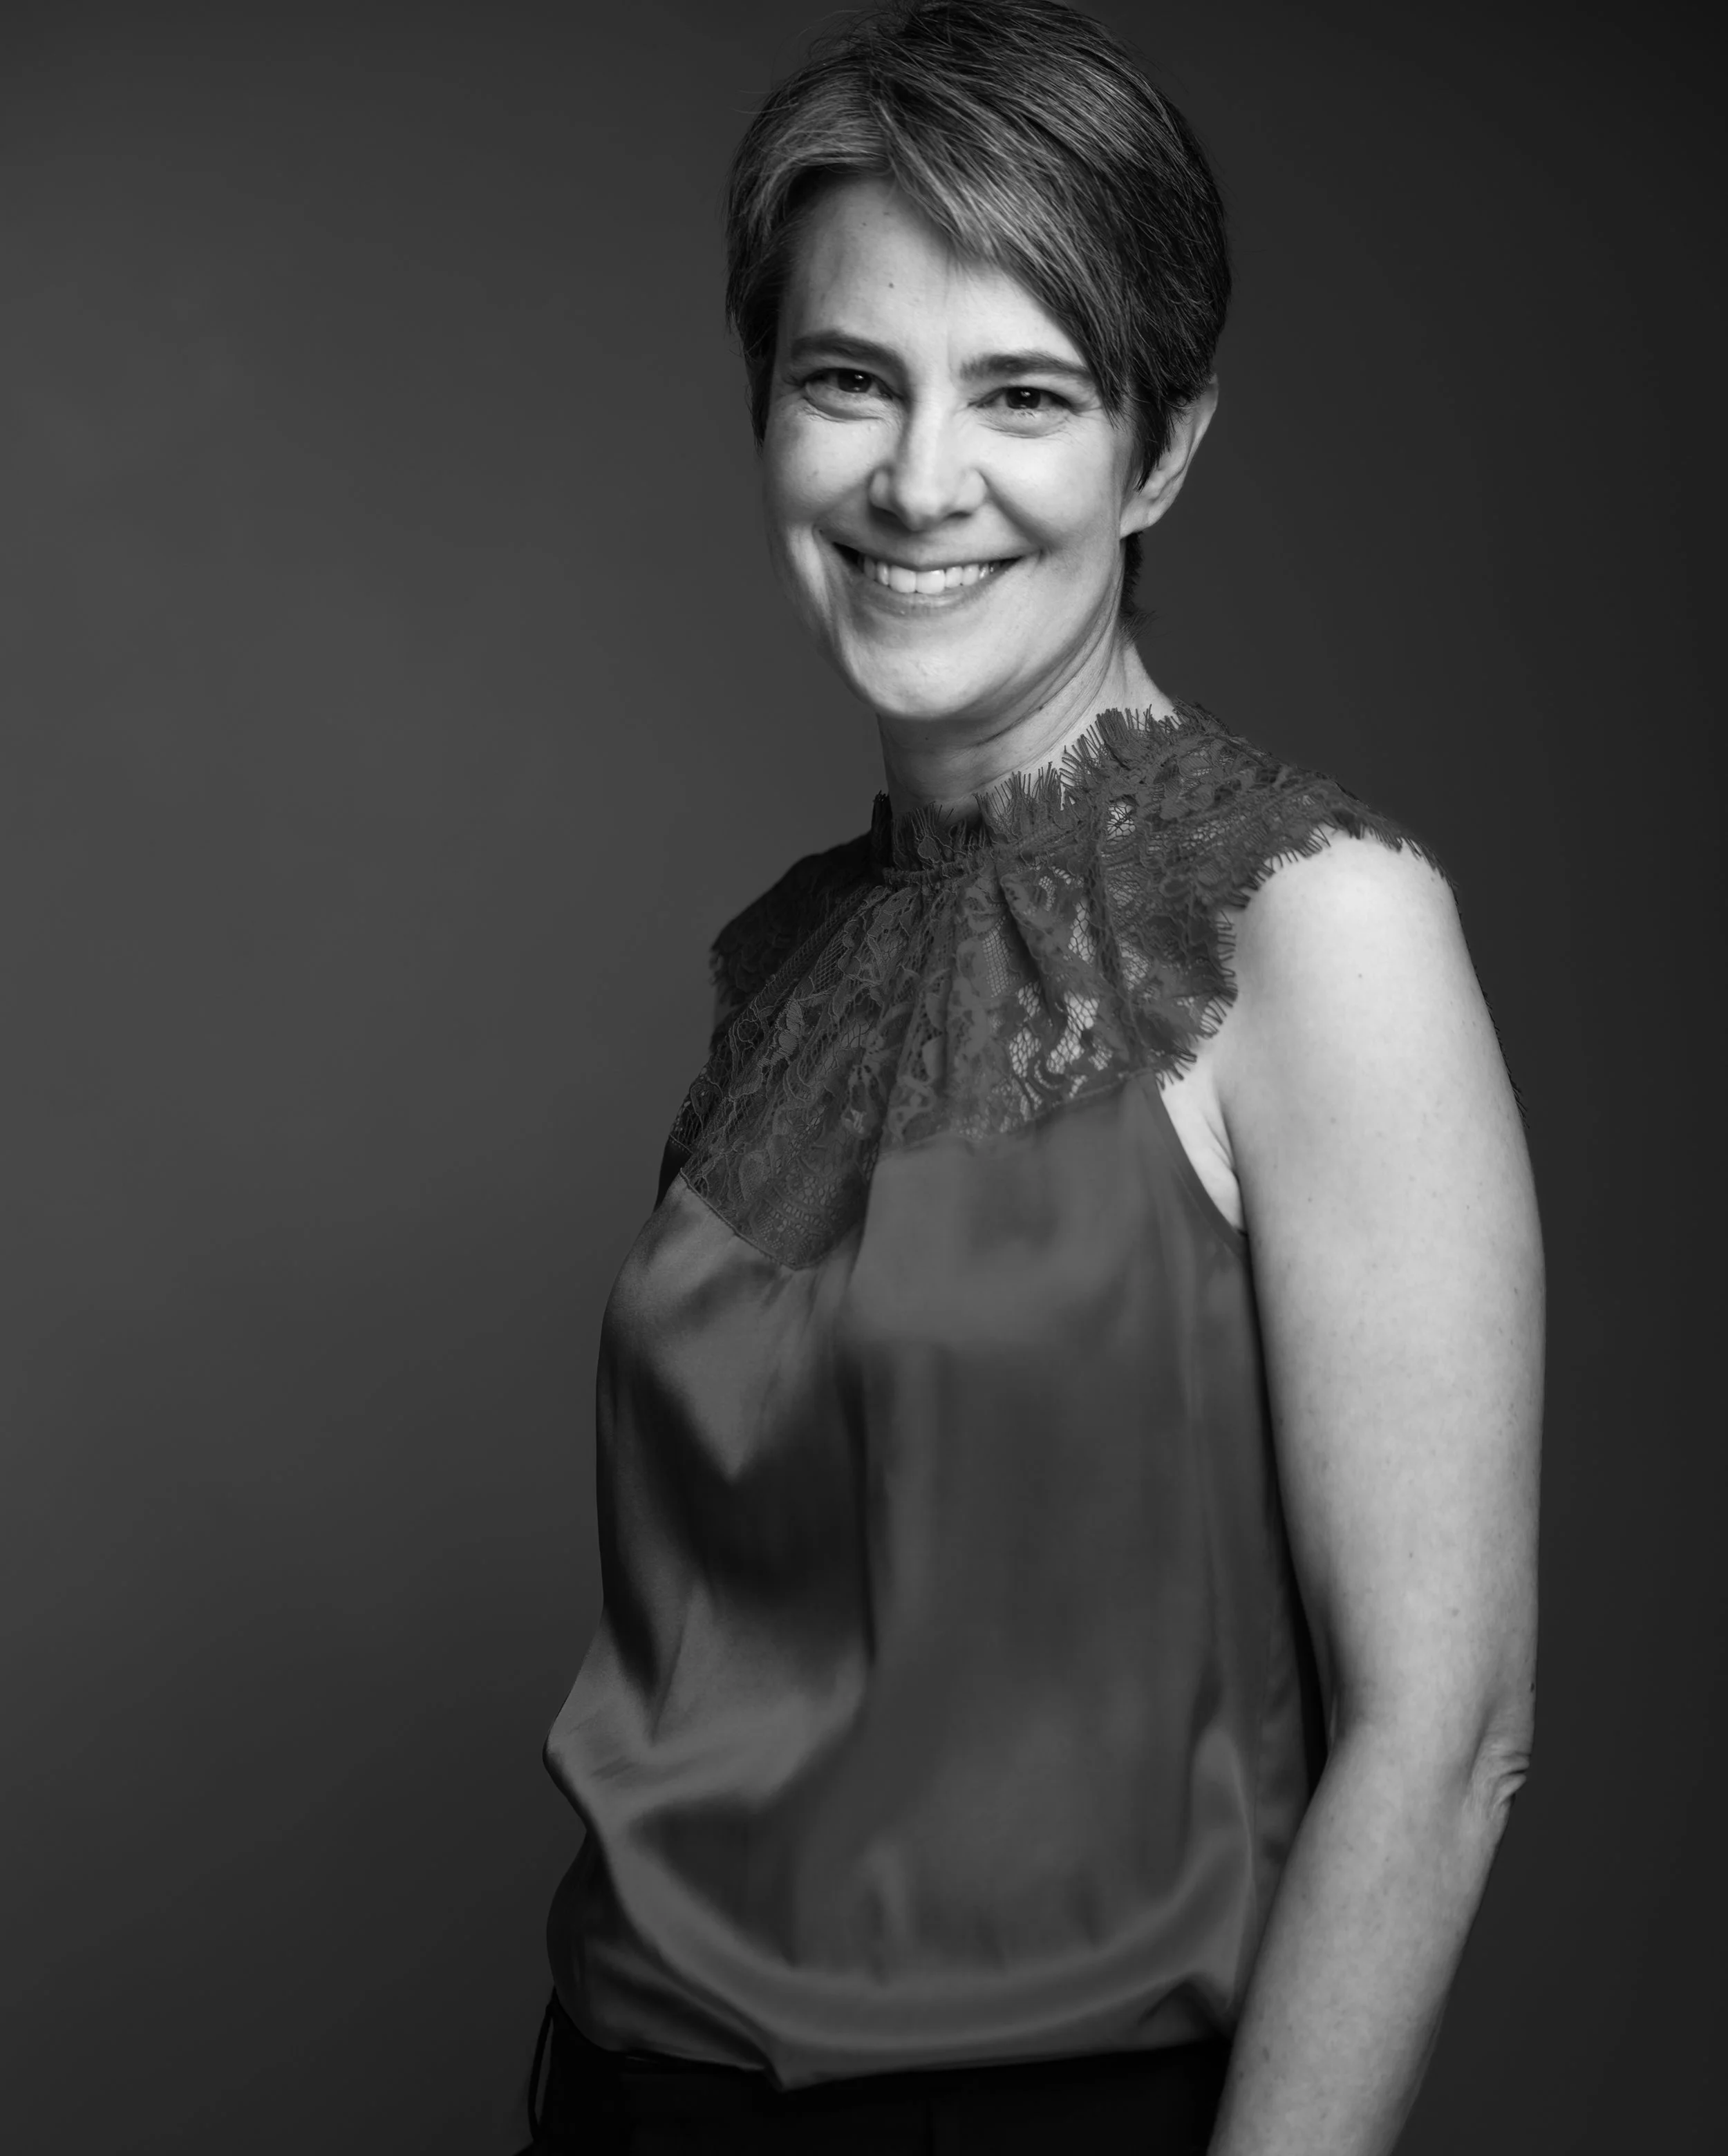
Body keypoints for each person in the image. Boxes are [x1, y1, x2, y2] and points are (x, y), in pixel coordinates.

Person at [520, 2, 1543, 2149]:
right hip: (623, 2085)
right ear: (767, 417)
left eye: (1023, 395)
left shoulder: (1314, 922)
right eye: (845, 381)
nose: (914, 480)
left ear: (1155, 452)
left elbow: (1440, 1742)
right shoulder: (791, 951)